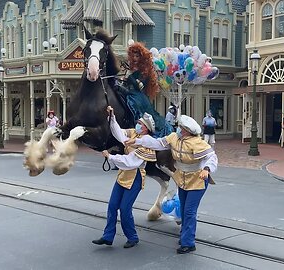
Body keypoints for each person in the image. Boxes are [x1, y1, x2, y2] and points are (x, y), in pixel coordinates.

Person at [126, 115, 218, 254]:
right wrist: (138, 141)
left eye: (181, 128)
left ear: (187, 130)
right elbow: (157, 143)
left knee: (189, 211)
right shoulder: (174, 138)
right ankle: (185, 235)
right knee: (183, 209)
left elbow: (211, 157)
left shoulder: (197, 143)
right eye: (179, 127)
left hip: (197, 179)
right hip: (182, 178)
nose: (179, 129)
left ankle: (188, 243)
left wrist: (207, 169)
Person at [92, 106, 157, 248]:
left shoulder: (147, 143)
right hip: (123, 175)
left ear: (146, 128)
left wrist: (110, 156)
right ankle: (108, 236)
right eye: (138, 122)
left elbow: (131, 161)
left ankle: (132, 237)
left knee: (125, 208)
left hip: (135, 176)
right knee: (112, 206)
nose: (137, 125)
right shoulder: (134, 134)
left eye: (140, 124)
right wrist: (112, 116)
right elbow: (119, 133)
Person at [122, 42, 173, 138]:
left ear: (141, 58)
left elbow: (139, 86)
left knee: (135, 104)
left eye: (137, 56)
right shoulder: (130, 69)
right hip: (128, 92)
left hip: (138, 95)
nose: (135, 58)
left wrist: (130, 77)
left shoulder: (144, 71)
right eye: (133, 56)